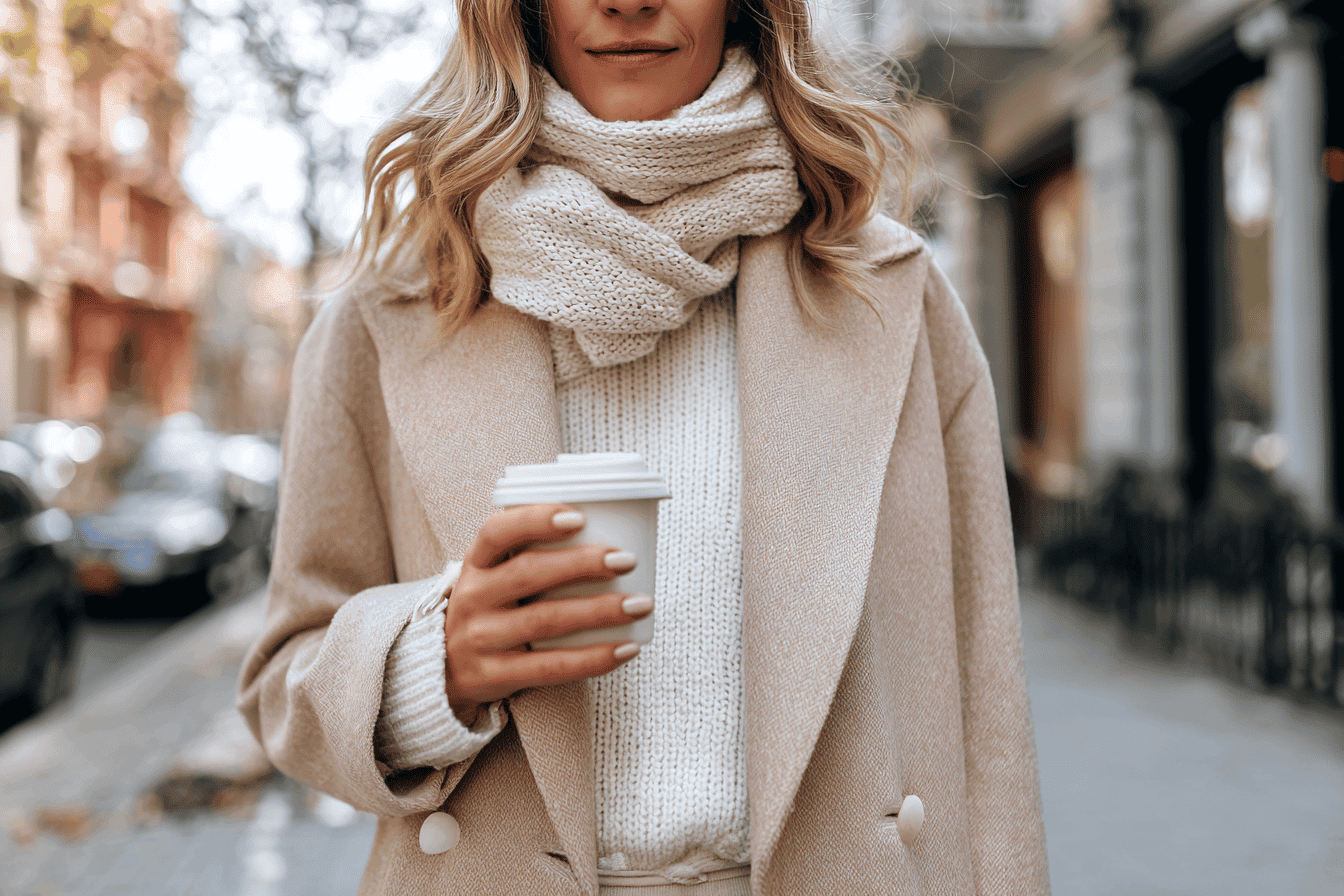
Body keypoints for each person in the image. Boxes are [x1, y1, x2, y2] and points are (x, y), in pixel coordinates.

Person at [238, 0, 1051, 893]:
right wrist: (432, 669)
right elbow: (288, 678)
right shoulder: (388, 312)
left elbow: (990, 716)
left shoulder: (893, 295)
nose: (627, 2)